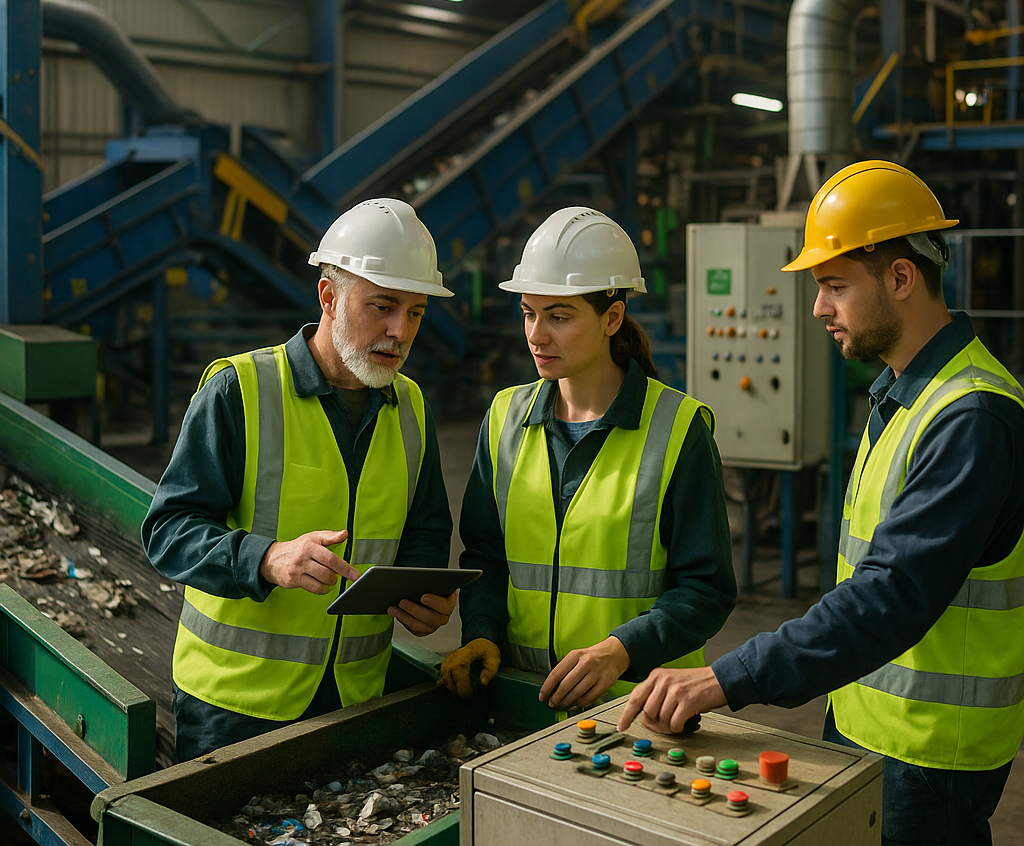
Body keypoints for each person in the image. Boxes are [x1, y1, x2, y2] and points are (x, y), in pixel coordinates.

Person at [618, 160, 1024, 846]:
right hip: (868, 724)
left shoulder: (971, 415)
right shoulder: (901, 395)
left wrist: (726, 678)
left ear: (901, 278)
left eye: (835, 286)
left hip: (926, 758)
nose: (817, 309)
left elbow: (891, 594)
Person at [142, 198, 456, 762]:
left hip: (356, 697)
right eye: (382, 307)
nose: (399, 331)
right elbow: (168, 532)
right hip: (235, 708)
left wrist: (421, 595)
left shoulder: (410, 406)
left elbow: (426, 528)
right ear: (329, 297)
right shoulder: (240, 391)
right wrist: (264, 558)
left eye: (415, 313)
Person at [441, 206, 736, 711]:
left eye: (559, 317)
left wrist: (621, 652)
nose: (536, 335)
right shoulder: (504, 418)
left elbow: (706, 590)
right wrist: (484, 631)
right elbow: (485, 556)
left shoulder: (677, 430)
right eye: (529, 313)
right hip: (519, 699)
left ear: (612, 317)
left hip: (638, 712)